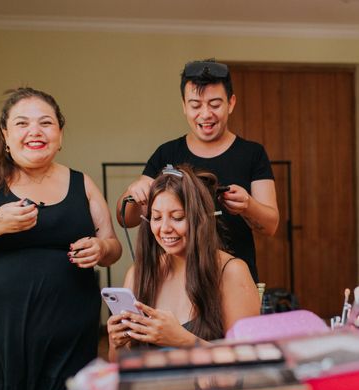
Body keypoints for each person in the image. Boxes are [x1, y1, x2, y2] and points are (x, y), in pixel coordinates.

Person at [0, 87, 122, 390]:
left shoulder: (81, 183)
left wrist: (99, 249)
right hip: (8, 341)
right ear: (5, 134)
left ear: (60, 134)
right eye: (21, 123)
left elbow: (113, 245)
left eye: (45, 123)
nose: (34, 131)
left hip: (73, 341)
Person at [117, 59, 279, 282]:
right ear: (184, 105)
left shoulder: (252, 154)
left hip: (234, 278)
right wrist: (134, 193)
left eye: (214, 104)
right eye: (195, 105)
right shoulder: (166, 154)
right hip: (175, 281)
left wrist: (248, 206)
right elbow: (125, 219)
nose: (205, 114)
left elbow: (271, 225)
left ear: (231, 103)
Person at [107, 165, 260, 359]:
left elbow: (248, 360)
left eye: (177, 217)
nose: (164, 228)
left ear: (201, 219)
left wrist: (182, 340)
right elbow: (117, 362)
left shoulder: (231, 272)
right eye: (156, 217)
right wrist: (117, 343)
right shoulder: (138, 273)